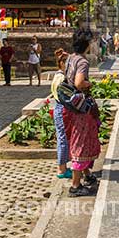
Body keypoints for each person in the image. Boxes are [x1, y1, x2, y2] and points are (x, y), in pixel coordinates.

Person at [63, 29, 101, 197]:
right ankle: (75, 185)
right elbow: (79, 83)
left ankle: (87, 175)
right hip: (81, 108)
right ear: (87, 45)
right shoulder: (83, 62)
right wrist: (88, 84)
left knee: (80, 139)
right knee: (81, 141)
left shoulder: (71, 58)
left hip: (71, 106)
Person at [51, 50, 71, 179]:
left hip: (58, 106)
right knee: (63, 139)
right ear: (62, 63)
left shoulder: (57, 75)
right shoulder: (62, 78)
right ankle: (62, 169)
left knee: (62, 138)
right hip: (62, 107)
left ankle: (62, 167)